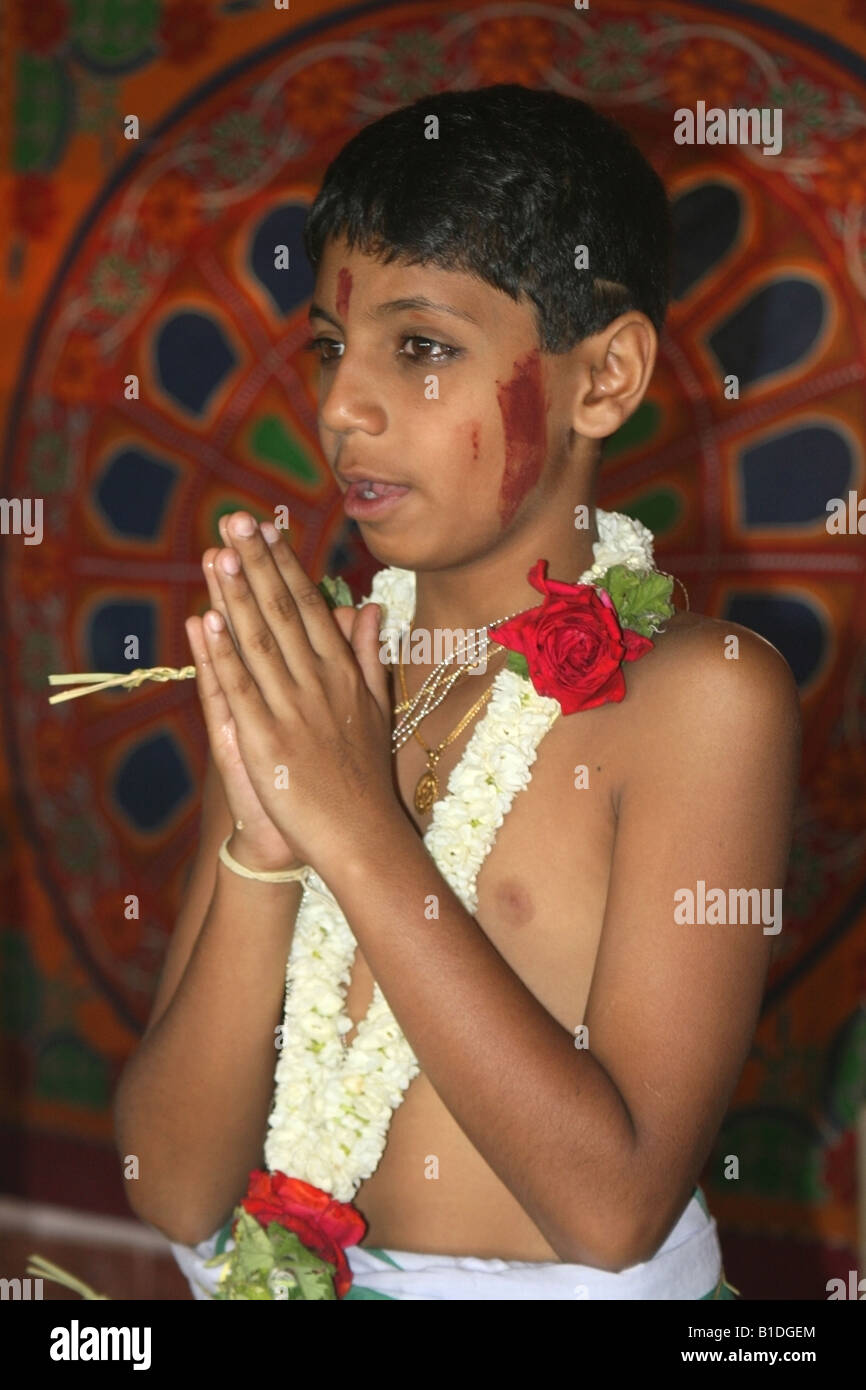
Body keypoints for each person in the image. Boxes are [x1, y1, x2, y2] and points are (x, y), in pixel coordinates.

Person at [114, 84, 801, 1300]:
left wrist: (356, 825)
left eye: (420, 347)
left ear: (603, 379)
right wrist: (266, 850)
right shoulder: (318, 675)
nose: (339, 407)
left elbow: (610, 1210)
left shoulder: (703, 699)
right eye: (330, 346)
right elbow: (167, 1186)